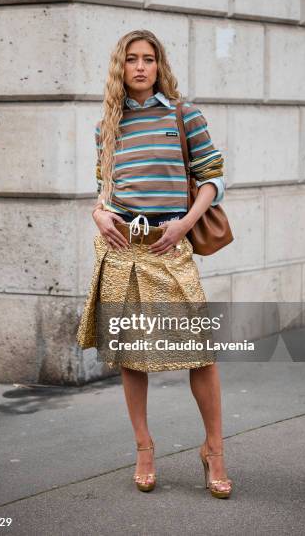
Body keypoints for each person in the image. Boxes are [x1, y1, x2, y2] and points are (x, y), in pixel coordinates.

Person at [76, 29, 233, 498]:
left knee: (199, 353)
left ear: (159, 65)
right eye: (131, 60)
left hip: (170, 244)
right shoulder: (107, 124)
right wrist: (97, 211)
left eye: (148, 59)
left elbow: (212, 178)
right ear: (120, 67)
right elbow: (104, 186)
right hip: (123, 247)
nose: (140, 67)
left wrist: (185, 224)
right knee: (130, 353)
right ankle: (144, 447)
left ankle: (215, 449)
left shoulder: (184, 115)